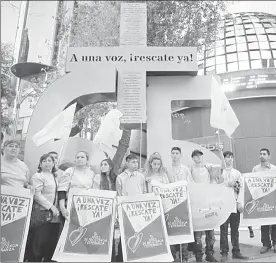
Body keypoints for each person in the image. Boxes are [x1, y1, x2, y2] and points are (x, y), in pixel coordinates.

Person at [190, 149, 221, 262]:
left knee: (210, 230)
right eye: (195, 156)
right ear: (192, 158)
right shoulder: (191, 169)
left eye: (199, 156)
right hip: (197, 203)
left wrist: (210, 166)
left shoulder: (208, 167)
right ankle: (198, 255)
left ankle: (209, 253)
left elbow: (219, 166)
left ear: (202, 157)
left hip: (208, 202)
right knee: (198, 231)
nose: (198, 158)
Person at [29, 153, 61, 262]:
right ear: (40, 164)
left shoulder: (55, 176)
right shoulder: (38, 176)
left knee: (51, 244)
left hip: (55, 216)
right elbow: (37, 195)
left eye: (50, 161)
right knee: (38, 243)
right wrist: (51, 207)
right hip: (43, 214)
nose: (47, 163)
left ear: (53, 163)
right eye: (44, 161)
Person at [218, 151, 248, 262]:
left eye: (231, 157)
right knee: (224, 230)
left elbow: (241, 189)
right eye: (227, 157)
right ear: (224, 159)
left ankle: (236, 251)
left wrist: (240, 202)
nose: (229, 159)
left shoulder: (237, 173)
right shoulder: (220, 173)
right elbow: (217, 186)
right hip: (224, 205)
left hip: (234, 205)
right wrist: (226, 184)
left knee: (235, 230)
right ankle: (224, 252)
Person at [116, 154, 146, 261]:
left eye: (137, 162)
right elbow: (118, 195)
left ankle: (137, 257)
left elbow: (144, 192)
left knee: (138, 234)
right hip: (126, 211)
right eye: (133, 162)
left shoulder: (141, 176)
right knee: (125, 235)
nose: (135, 164)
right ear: (127, 163)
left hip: (139, 210)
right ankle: (121, 258)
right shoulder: (120, 177)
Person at [167, 147, 191, 262]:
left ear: (180, 155)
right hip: (170, 204)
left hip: (183, 203)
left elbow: (189, 185)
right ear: (170, 155)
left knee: (183, 229)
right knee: (171, 230)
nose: (175, 155)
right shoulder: (166, 169)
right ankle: (172, 256)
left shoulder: (185, 169)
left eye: (177, 153)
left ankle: (184, 256)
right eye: (173, 153)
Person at [58, 150, 95, 220]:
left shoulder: (92, 173)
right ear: (75, 160)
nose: (79, 159)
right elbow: (62, 190)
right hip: (70, 206)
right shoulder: (69, 171)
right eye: (77, 157)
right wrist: (62, 208)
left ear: (87, 160)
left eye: (82, 157)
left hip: (85, 208)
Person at [252, 148, 276, 254]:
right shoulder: (255, 169)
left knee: (274, 222)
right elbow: (252, 184)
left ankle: (275, 243)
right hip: (261, 200)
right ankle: (266, 244)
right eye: (260, 154)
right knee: (264, 222)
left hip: (273, 199)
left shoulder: (274, 169)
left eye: (264, 154)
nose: (262, 155)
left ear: (269, 156)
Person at [93, 159, 117, 261]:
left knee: (110, 235)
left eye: (105, 164)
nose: (103, 166)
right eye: (101, 164)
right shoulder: (98, 177)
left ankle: (111, 258)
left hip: (113, 208)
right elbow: (95, 192)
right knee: (101, 235)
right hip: (102, 208)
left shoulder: (115, 178)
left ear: (110, 167)